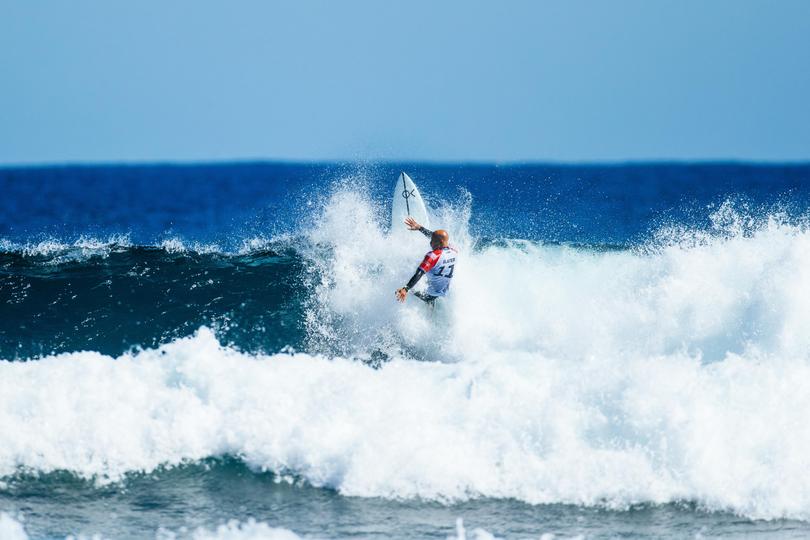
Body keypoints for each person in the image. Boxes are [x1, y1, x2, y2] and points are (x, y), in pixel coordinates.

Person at [395, 217, 457, 306]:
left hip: (430, 294)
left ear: (439, 242)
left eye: (432, 241)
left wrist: (405, 288)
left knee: (401, 288)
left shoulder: (433, 256)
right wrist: (420, 228)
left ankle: (428, 302)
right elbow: (437, 237)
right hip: (445, 290)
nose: (430, 242)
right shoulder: (454, 249)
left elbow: (419, 274)